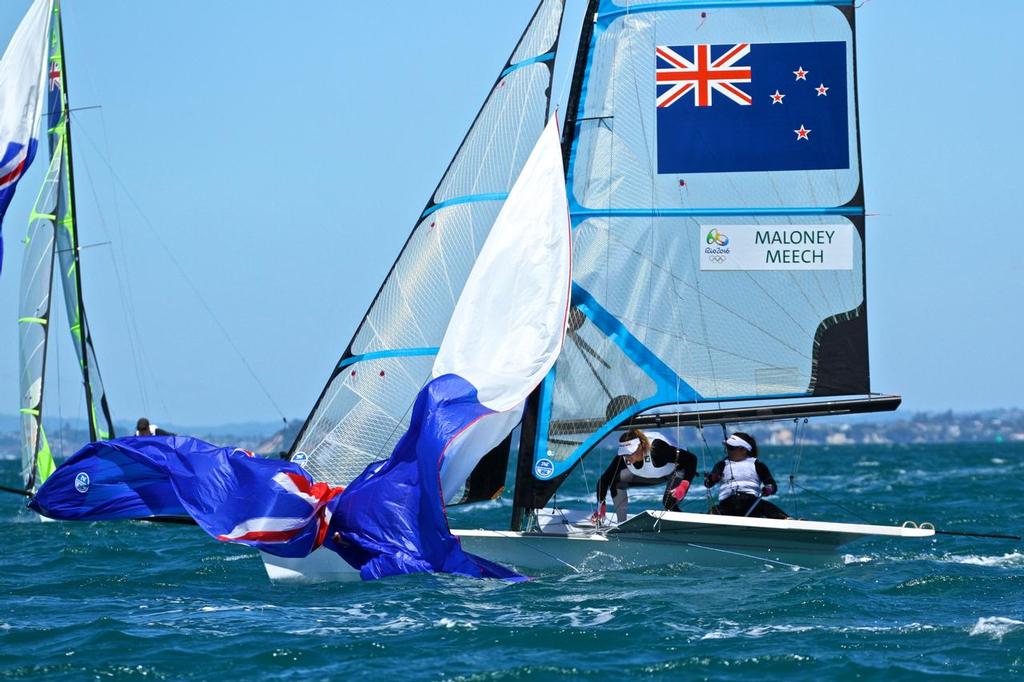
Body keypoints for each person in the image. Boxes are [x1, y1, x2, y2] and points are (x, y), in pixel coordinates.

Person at [593, 429, 698, 523]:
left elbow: (691, 459)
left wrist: (683, 485)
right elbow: (604, 479)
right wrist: (600, 505)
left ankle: (683, 522)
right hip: (654, 473)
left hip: (678, 469)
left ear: (640, 447)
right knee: (615, 482)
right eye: (624, 454)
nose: (627, 457)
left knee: (668, 502)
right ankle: (621, 523)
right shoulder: (623, 458)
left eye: (630, 453)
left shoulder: (657, 450)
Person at [704, 432, 788, 519]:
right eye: (727, 447)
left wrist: (769, 488)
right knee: (714, 510)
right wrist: (713, 478)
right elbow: (707, 484)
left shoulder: (757, 464)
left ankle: (788, 520)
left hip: (751, 504)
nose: (727, 450)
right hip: (727, 505)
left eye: (731, 448)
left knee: (764, 506)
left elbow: (772, 484)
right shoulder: (721, 465)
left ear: (744, 450)